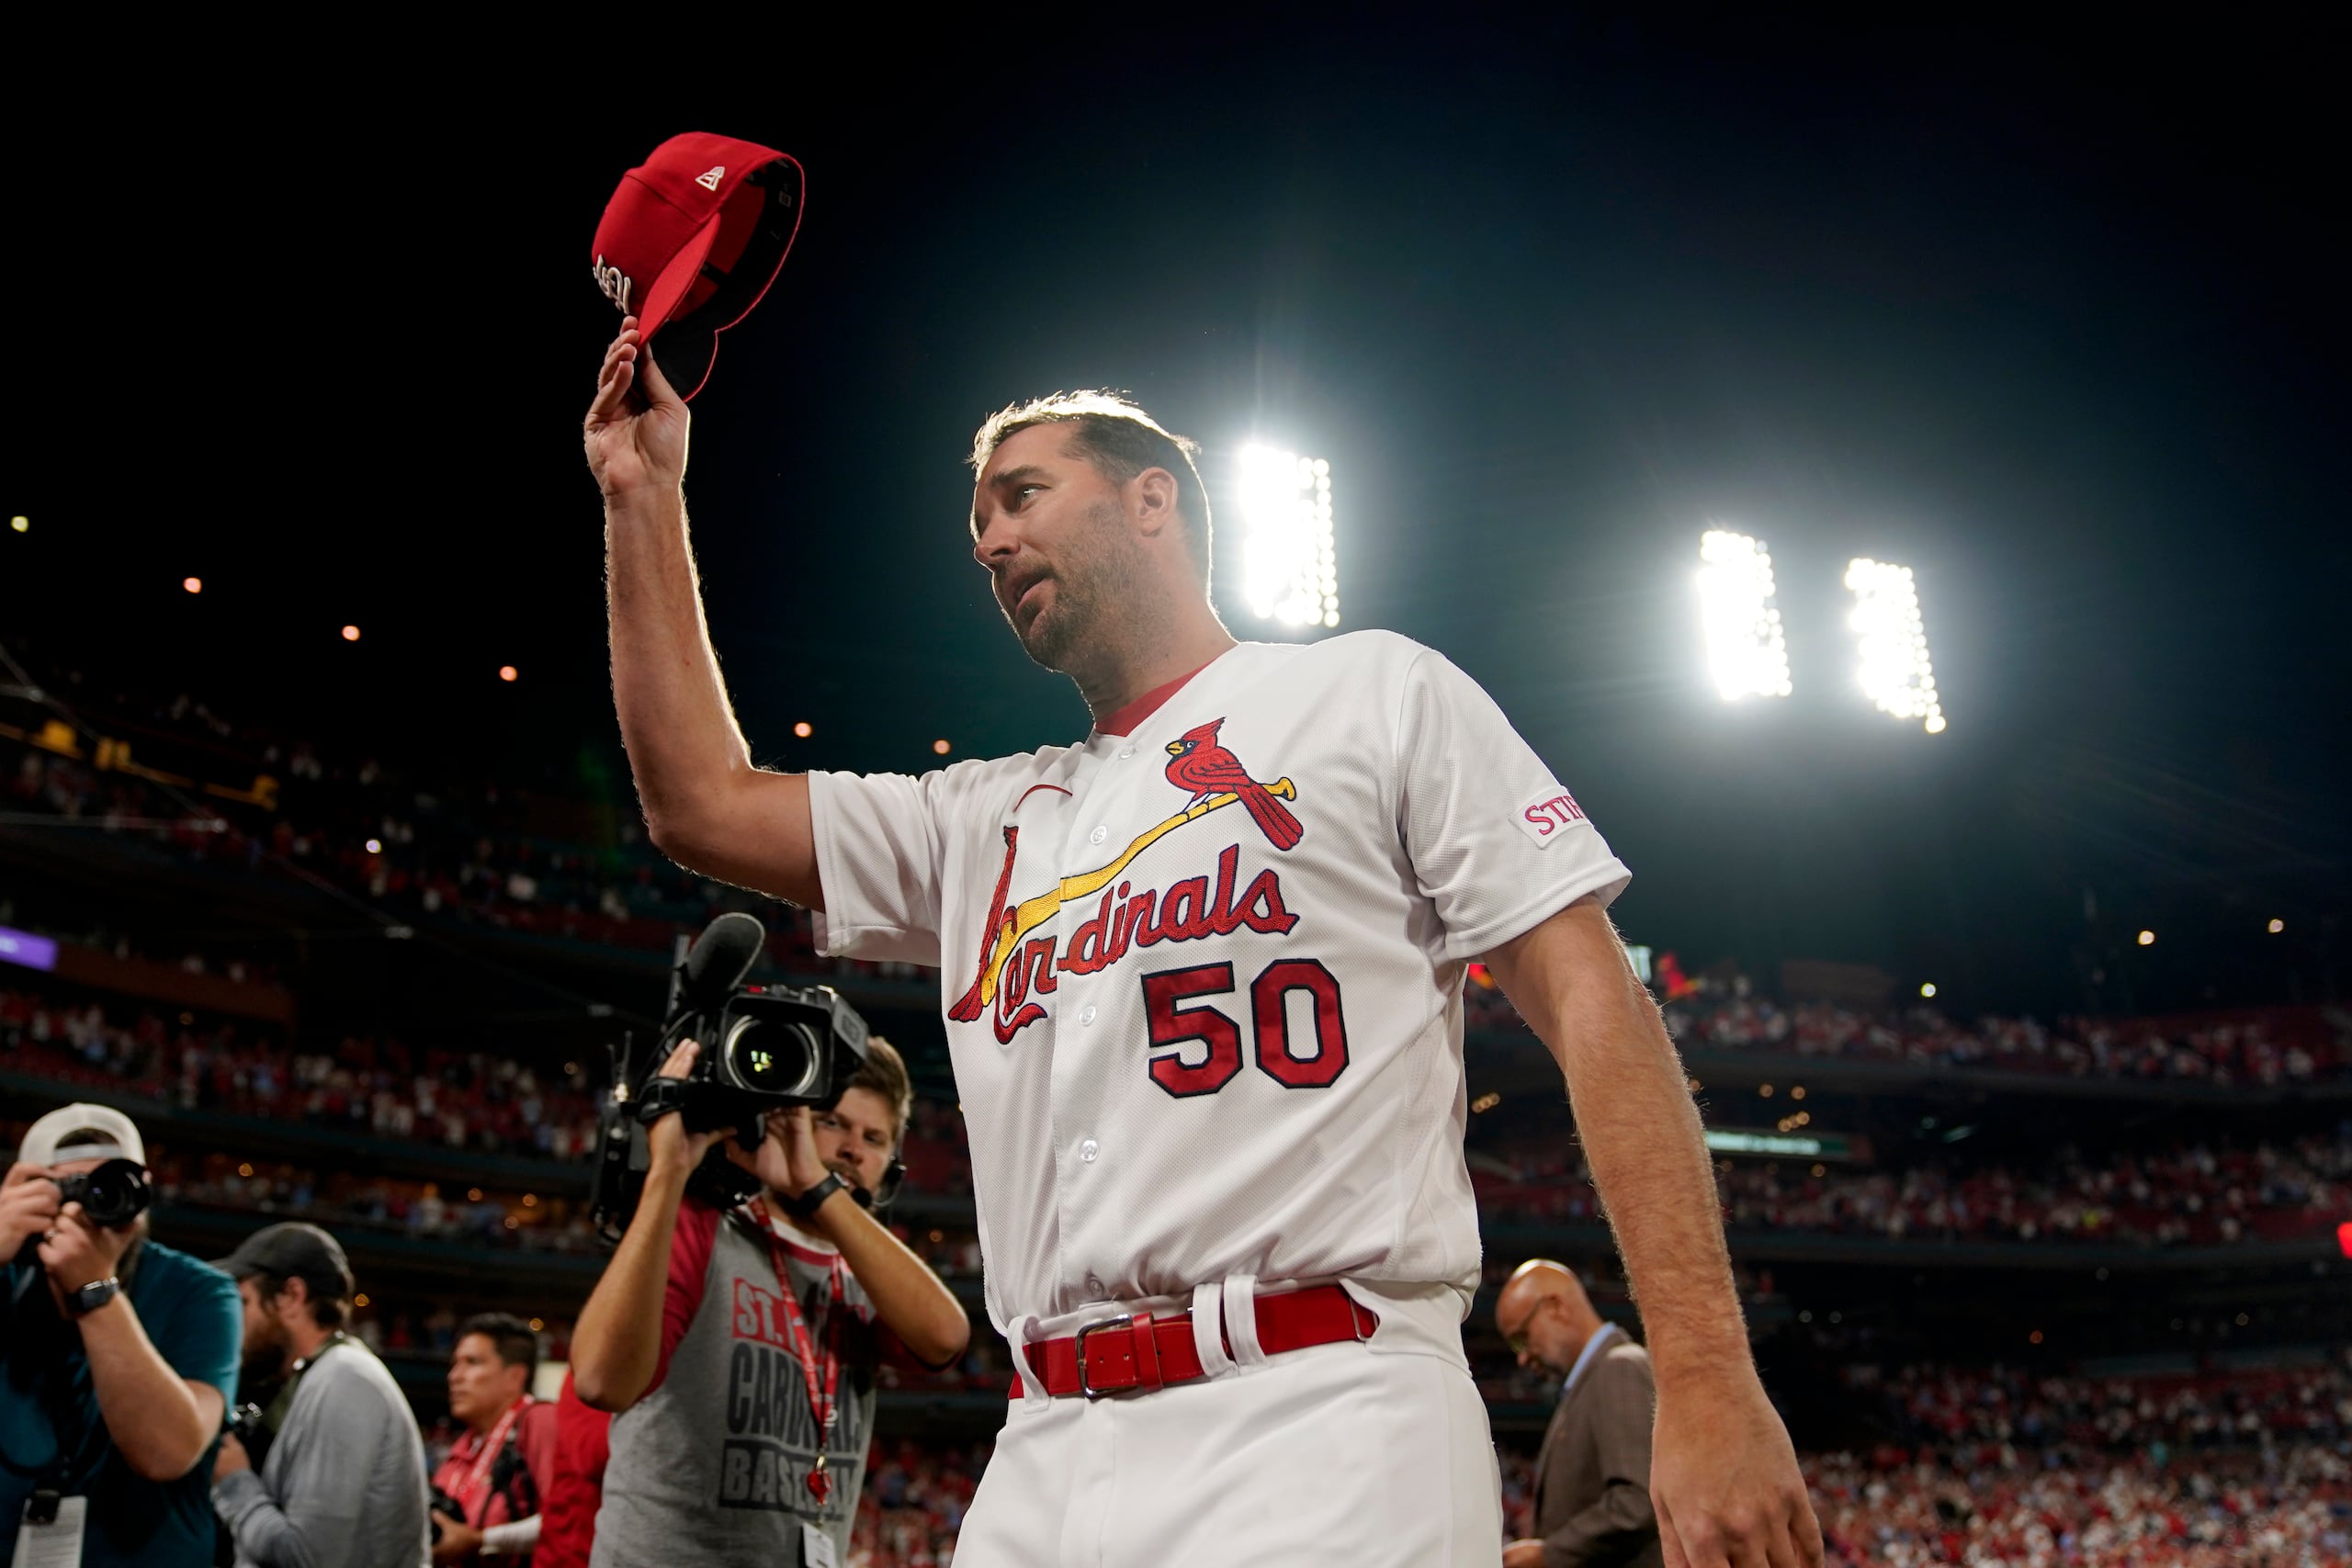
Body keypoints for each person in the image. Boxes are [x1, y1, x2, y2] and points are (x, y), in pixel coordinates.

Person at [585, 321, 1821, 1566]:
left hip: (1323, 1409)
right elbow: (699, 799)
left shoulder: (1374, 692)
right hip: (1045, 1442)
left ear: (1151, 499)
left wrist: (1707, 1376)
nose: (991, 540)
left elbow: (1594, 999)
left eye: (1022, 496)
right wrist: (643, 495)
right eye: (978, 525)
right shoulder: (984, 816)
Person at [570, 1035, 967, 1567]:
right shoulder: (706, 1228)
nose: (853, 1148)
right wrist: (668, 1173)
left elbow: (946, 1339)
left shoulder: (870, 1274)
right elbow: (600, 1380)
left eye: (874, 1137)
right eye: (833, 1123)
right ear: (786, 1123)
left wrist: (815, 1185)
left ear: (891, 1167)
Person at [2, 1103, 240, 1566]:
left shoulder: (202, 1293)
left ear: (143, 1193)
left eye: (107, 1186)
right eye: (68, 1188)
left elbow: (167, 1453)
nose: (89, 1209)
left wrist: (94, 1290)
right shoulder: (8, 1277)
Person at [210, 1223, 429, 1568]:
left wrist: (233, 1480)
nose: (236, 1322)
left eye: (245, 1302)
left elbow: (307, 1557)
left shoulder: (345, 1380)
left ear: (291, 1296)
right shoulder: (321, 1376)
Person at [1496, 1261, 1662, 1568]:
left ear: (1555, 1307)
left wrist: (1548, 1554)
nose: (1522, 1357)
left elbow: (1637, 1501)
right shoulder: (1587, 1383)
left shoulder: (1618, 1368)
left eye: (1522, 1337)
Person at [429, 1315, 559, 1563]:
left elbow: (567, 1516)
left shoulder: (539, 1421)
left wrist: (482, 1541)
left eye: (472, 1362)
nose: (455, 1376)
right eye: (455, 1364)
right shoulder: (464, 1445)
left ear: (515, 1377)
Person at [527, 1372, 608, 1568]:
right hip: (564, 1555)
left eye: (472, 1362)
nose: (456, 1376)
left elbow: (592, 1456)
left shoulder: (539, 1416)